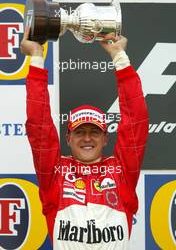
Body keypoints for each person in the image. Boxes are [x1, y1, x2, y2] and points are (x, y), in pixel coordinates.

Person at [20, 28, 149, 250]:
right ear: (68, 138)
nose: (87, 138)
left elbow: (136, 123)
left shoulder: (122, 171)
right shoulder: (55, 174)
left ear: (105, 138)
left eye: (94, 132)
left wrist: (119, 56)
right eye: (80, 132)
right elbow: (39, 127)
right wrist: (37, 56)